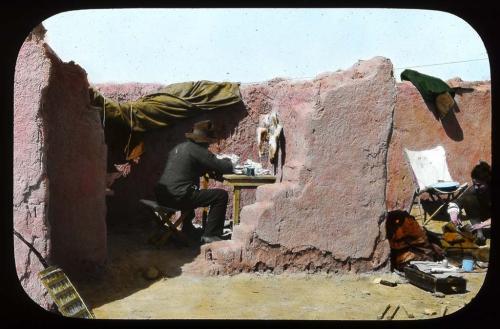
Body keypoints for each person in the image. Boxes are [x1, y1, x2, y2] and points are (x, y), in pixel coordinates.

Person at [155, 120, 234, 244]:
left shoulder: (180, 147)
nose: (209, 145)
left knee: (190, 186)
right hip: (178, 197)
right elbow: (224, 167)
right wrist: (228, 161)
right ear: (204, 140)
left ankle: (187, 227)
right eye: (208, 142)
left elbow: (189, 169)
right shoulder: (198, 150)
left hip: (162, 196)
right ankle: (211, 234)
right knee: (220, 195)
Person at [447, 161, 491, 246]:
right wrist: (454, 213)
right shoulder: (473, 190)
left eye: (479, 185)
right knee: (468, 199)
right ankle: (480, 234)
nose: (476, 187)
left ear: (487, 181)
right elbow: (457, 202)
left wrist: (484, 224)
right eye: (474, 184)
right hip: (484, 213)